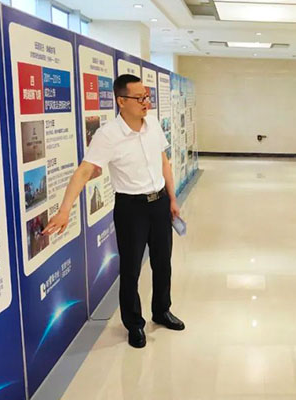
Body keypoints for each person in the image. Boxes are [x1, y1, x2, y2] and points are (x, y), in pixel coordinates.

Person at [43, 74, 184, 349]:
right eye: (139, 98)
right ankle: (134, 324)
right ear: (121, 101)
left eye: (147, 97)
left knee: (163, 263)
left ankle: (161, 310)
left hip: (158, 203)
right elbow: (84, 171)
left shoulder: (153, 125)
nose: (146, 102)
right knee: (130, 269)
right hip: (131, 208)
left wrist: (172, 198)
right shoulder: (108, 135)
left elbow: (164, 162)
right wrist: (64, 210)